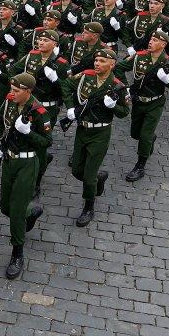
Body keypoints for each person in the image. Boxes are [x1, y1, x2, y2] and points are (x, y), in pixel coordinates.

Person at [60, 49, 130, 227]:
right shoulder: (86, 76)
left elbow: (124, 112)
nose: (97, 63)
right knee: (77, 170)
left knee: (88, 176)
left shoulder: (117, 86)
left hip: (100, 133)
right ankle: (98, 178)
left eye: (102, 61)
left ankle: (88, 207)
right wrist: (70, 107)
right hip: (82, 130)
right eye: (96, 60)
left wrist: (113, 106)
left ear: (112, 64)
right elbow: (66, 84)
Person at [0, 73, 51, 279]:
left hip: (27, 163)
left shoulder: (39, 111)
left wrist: (28, 133)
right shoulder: (9, 102)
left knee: (15, 211)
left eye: (17, 91)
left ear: (28, 91)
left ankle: (17, 253)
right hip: (9, 160)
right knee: (5, 207)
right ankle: (30, 212)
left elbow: (47, 141)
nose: (12, 93)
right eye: (12, 89)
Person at [115, 29, 169, 182]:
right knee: (135, 134)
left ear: (163, 44)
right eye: (151, 39)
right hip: (138, 101)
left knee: (144, 136)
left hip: (155, 103)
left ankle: (140, 166)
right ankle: (150, 139)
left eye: (155, 40)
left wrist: (167, 80)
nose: (150, 42)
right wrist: (125, 88)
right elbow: (119, 68)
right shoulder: (139, 56)